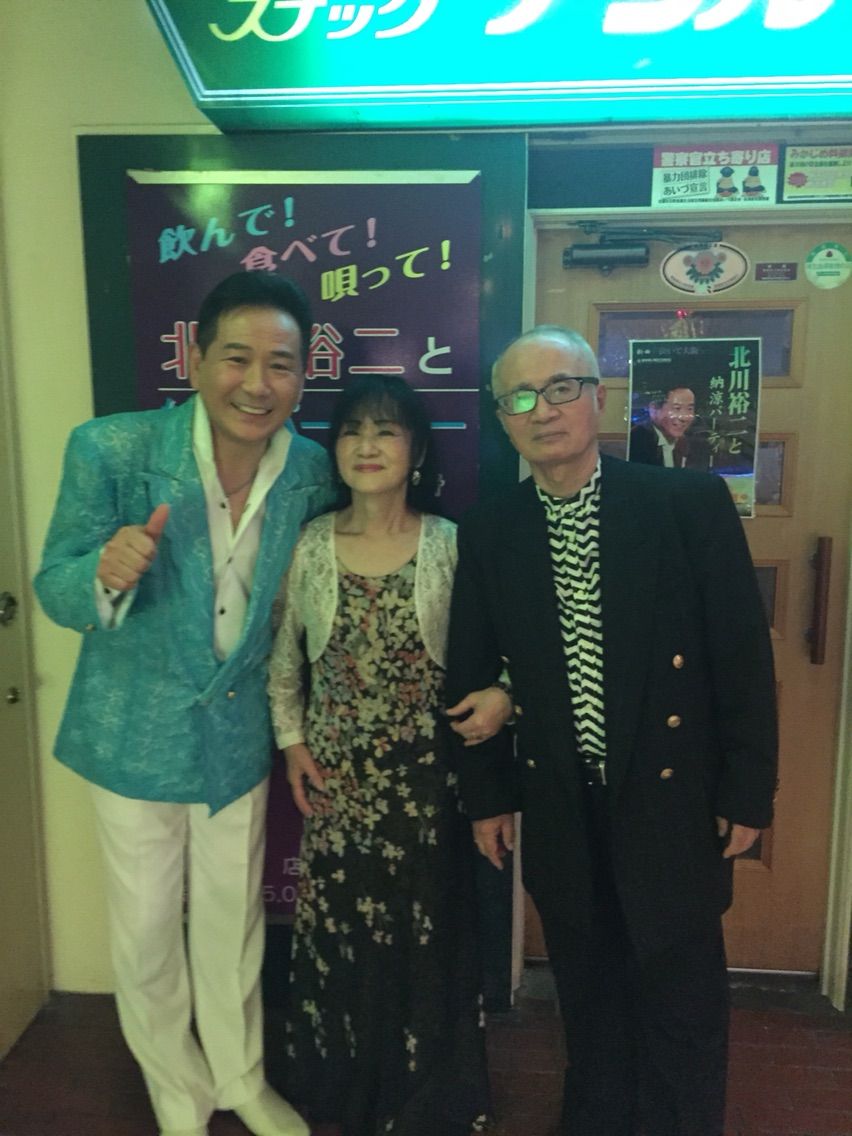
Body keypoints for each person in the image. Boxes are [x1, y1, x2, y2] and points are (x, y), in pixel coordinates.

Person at [445, 326, 778, 1136]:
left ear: (598, 397)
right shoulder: (492, 529)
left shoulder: (683, 505)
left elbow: (740, 657)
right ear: (502, 417)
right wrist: (488, 797)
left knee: (680, 995)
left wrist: (747, 791)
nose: (542, 410)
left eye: (561, 387)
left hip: (672, 795)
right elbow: (472, 674)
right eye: (520, 397)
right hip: (562, 796)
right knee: (588, 994)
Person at [34, 271, 334, 1136]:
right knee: (144, 930)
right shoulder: (113, 448)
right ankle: (176, 1087)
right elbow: (54, 582)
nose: (257, 383)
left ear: (303, 373)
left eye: (281, 364)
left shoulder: (312, 469)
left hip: (236, 734)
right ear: (194, 359)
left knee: (234, 922)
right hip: (130, 734)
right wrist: (102, 572)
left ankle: (241, 1078)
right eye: (236, 357)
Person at [268, 375, 510, 1136]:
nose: (367, 446)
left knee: (426, 942)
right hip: (338, 787)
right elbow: (284, 662)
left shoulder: (450, 543)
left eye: (386, 431)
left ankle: (426, 1101)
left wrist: (505, 694)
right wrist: (292, 743)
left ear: (417, 451)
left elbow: (507, 646)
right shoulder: (311, 544)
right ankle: (343, 1094)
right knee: (341, 940)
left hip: (428, 786)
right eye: (352, 431)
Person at [629, 384, 707, 470]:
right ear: (654, 409)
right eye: (677, 408)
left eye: (690, 409)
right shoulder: (636, 441)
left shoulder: (693, 444)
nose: (684, 417)